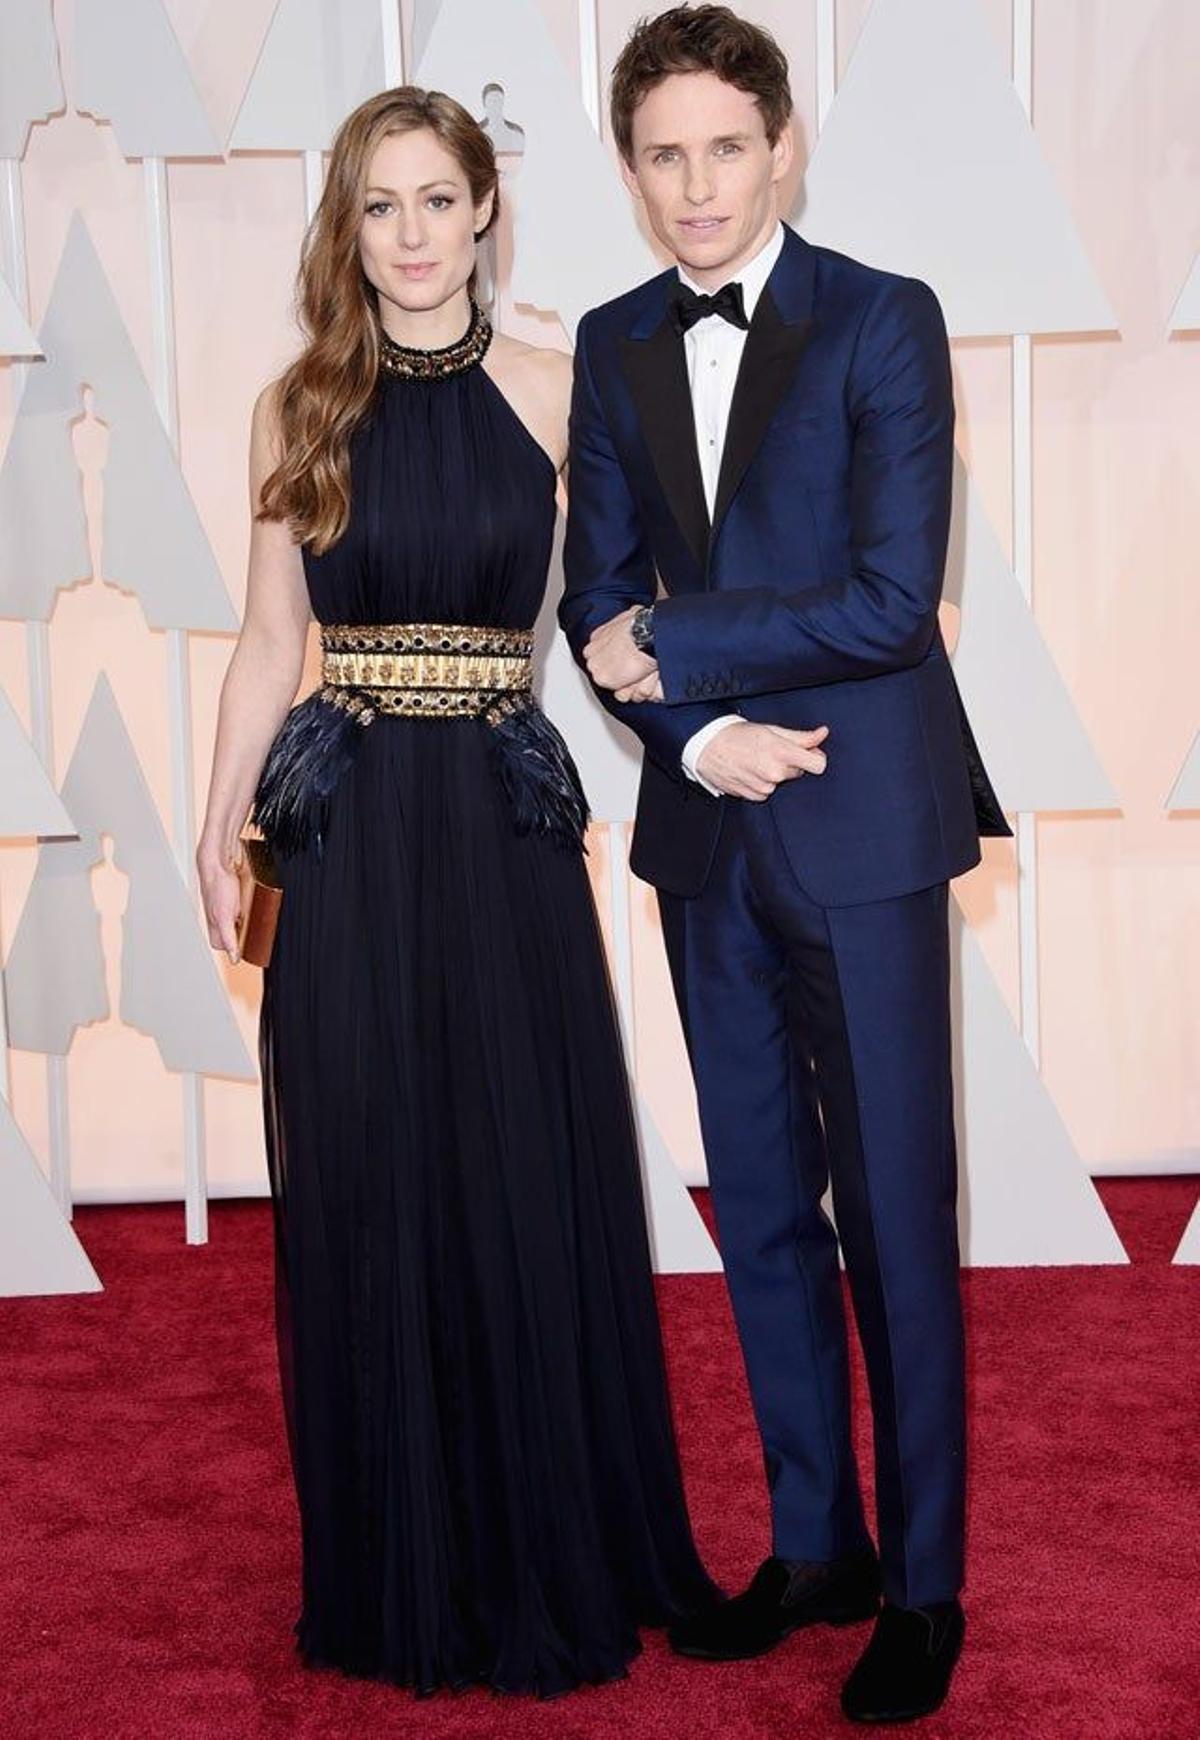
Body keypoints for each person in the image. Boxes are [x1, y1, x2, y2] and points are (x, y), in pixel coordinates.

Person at [197, 85, 715, 1699]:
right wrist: (220, 822)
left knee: (518, 1166)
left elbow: (615, 618)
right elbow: (274, 639)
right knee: (372, 1168)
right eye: (379, 207)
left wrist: (709, 711)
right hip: (345, 824)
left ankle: (543, 1540)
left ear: (487, 211)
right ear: (347, 230)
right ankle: (396, 1555)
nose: (412, 236)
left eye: (438, 201)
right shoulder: (298, 409)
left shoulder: (562, 394)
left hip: (500, 826)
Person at [561, 5, 1009, 1725]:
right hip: (705, 828)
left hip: (865, 826)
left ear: (783, 145)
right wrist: (691, 733)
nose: (695, 187)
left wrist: (690, 650)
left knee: (899, 1214)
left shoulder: (884, 320)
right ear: (629, 167)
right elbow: (592, 604)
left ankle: (927, 1581)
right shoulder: (608, 344)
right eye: (662, 155)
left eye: (725, 148)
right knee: (760, 1211)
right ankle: (814, 1542)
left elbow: (895, 600)